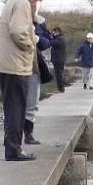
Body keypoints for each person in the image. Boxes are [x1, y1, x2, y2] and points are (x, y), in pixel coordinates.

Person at [0, 0, 48, 162]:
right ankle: (14, 150)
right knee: (17, 108)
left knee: (11, 107)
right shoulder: (23, 3)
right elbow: (17, 31)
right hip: (15, 65)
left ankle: (12, 147)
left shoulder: (14, 0)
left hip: (7, 64)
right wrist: (30, 45)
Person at [24, 12, 54, 145]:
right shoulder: (13, 18)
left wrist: (35, 38)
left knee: (32, 101)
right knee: (12, 101)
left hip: (33, 64)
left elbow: (46, 42)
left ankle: (28, 133)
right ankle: (10, 134)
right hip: (13, 65)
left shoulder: (40, 22)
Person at [50, 27, 67, 92]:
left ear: (57, 32)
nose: (53, 34)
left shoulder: (60, 39)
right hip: (59, 59)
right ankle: (61, 88)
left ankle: (61, 88)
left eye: (54, 32)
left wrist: (51, 37)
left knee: (59, 75)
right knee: (59, 74)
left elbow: (52, 43)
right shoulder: (60, 38)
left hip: (58, 60)